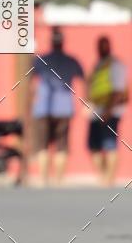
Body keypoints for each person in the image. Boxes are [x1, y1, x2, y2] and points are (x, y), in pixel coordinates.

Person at [30, 27, 84, 186]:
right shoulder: (71, 60)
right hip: (64, 108)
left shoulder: (40, 60)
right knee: (62, 145)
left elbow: (30, 82)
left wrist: (31, 100)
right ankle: (59, 180)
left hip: (43, 108)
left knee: (43, 144)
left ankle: (44, 179)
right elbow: (84, 79)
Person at [87, 35, 128, 186]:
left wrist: (108, 112)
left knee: (110, 144)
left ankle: (109, 179)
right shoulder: (99, 64)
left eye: (103, 45)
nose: (101, 48)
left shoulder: (115, 65)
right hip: (97, 110)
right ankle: (103, 176)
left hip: (110, 112)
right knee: (94, 145)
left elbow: (117, 92)